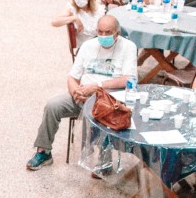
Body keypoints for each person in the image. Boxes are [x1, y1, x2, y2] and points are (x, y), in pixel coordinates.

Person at [27, 15, 138, 170]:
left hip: (109, 100)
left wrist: (98, 87)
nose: (103, 36)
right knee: (52, 106)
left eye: (108, 32)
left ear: (117, 33)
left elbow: (129, 79)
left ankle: (104, 163)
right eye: (100, 32)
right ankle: (44, 151)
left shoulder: (128, 47)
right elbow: (72, 77)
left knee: (103, 114)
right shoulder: (88, 46)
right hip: (83, 95)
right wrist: (75, 92)